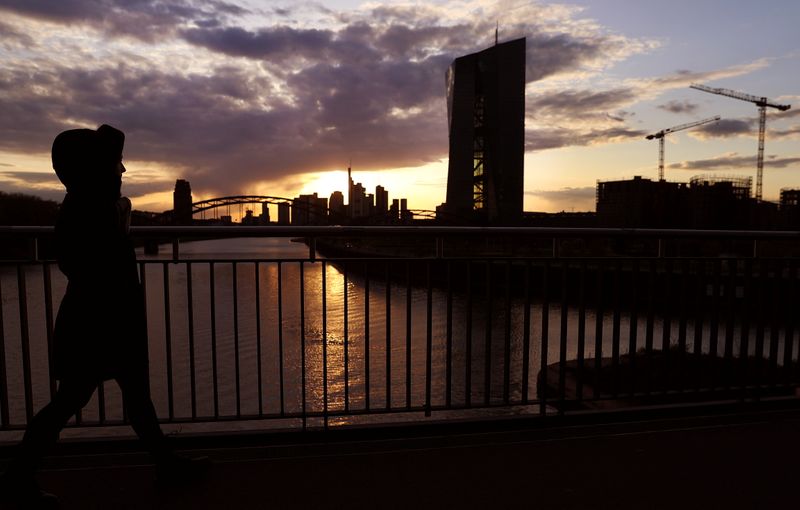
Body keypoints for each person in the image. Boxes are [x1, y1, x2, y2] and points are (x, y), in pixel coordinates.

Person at [0, 124, 206, 508]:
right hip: (98, 325)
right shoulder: (88, 212)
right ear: (95, 169)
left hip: (102, 322)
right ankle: (16, 479)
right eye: (117, 163)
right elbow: (91, 265)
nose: (123, 171)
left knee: (128, 397)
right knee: (71, 402)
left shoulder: (87, 207)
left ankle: (165, 464)